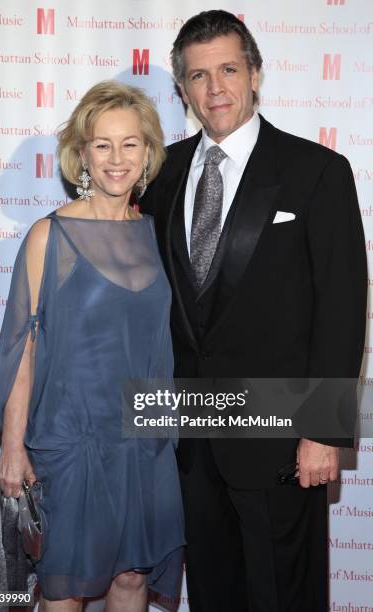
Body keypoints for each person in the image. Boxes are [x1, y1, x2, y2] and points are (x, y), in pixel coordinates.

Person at [141, 10, 367, 612]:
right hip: (190, 436)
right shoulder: (159, 175)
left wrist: (323, 431)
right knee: (214, 594)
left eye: (229, 69)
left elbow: (343, 308)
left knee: (283, 597)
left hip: (280, 439)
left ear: (256, 74)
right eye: (198, 76)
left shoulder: (315, 171)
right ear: (181, 88)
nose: (215, 88)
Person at [0, 80, 185, 612]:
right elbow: (21, 347)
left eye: (130, 143)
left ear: (147, 152)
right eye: (102, 144)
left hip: (144, 441)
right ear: (81, 154)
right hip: (73, 442)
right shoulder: (49, 236)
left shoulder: (156, 233)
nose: (117, 158)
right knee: (68, 588)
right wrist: (13, 447)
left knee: (130, 579)